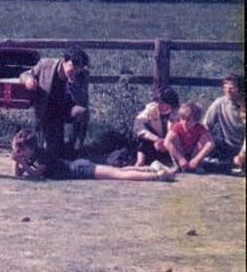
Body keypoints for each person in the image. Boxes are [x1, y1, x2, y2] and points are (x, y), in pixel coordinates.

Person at [11, 129, 175, 182]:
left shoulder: (40, 156)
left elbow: (36, 173)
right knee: (119, 171)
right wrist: (17, 159)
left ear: (31, 148)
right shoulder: (30, 157)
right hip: (78, 167)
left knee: (118, 174)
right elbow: (16, 174)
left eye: (21, 148)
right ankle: (151, 169)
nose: (20, 152)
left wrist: (21, 162)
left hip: (79, 168)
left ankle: (156, 176)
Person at [20, 46, 90, 160]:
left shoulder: (82, 75)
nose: (76, 70)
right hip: (47, 111)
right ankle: (55, 149)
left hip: (68, 109)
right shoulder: (45, 65)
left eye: (79, 68)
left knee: (83, 112)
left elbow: (82, 101)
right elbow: (25, 74)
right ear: (64, 61)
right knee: (52, 154)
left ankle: (75, 146)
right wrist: (28, 80)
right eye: (73, 66)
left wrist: (73, 84)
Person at [203, 74, 244, 170]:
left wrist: (242, 154)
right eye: (225, 87)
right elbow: (206, 125)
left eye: (232, 88)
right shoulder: (219, 103)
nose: (228, 91)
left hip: (243, 147)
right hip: (226, 146)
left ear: (239, 89)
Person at [132, 85, 179, 167]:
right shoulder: (151, 108)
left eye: (162, 103)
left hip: (172, 144)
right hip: (154, 143)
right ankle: (140, 162)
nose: (159, 105)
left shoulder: (179, 113)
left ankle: (178, 162)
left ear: (170, 103)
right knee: (142, 139)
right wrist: (156, 139)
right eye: (158, 102)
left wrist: (167, 142)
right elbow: (138, 124)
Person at [164, 101, 215, 173]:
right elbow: (167, 142)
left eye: (188, 120)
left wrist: (197, 159)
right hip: (180, 154)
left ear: (196, 120)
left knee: (205, 140)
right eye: (182, 118)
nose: (184, 122)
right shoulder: (177, 126)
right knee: (173, 138)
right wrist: (180, 158)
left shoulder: (200, 128)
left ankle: (195, 166)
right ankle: (178, 166)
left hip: (193, 154)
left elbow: (211, 143)